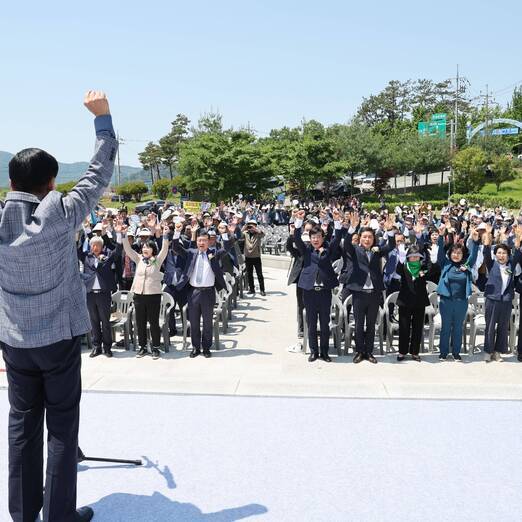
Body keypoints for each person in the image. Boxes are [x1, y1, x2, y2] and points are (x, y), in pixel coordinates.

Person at [0, 91, 115, 522]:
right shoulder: (62, 212)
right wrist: (102, 120)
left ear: (11, 182)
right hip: (60, 339)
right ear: (51, 184)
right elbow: (98, 174)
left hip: (14, 340)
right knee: (62, 429)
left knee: (21, 427)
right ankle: (60, 516)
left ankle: (24, 513)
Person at [172, 221, 237, 358]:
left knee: (207, 322)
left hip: (208, 292)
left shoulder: (214, 253)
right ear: (197, 241)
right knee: (194, 322)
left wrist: (225, 233)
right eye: (200, 240)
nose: (202, 243)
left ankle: (206, 347)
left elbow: (226, 247)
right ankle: (196, 347)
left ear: (209, 242)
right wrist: (177, 232)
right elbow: (176, 247)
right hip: (193, 292)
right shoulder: (191, 253)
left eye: (204, 241)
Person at [343, 212, 396, 364]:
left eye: (370, 237)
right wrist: (352, 228)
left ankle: (369, 351)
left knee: (371, 324)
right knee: (359, 323)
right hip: (359, 293)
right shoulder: (355, 250)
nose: (367, 239)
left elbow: (391, 245)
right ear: (360, 239)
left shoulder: (377, 250)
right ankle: (360, 351)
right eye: (364, 237)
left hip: (374, 293)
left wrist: (390, 231)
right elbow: (346, 245)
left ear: (374, 239)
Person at [293, 209, 342, 362]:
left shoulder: (328, 250)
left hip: (325, 292)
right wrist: (299, 222)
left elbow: (337, 238)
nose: (315, 240)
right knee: (311, 323)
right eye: (313, 237)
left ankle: (325, 352)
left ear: (322, 238)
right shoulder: (306, 250)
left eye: (318, 237)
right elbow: (296, 238)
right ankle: (314, 351)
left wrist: (337, 221)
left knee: (325, 324)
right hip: (309, 291)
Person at [119, 221, 170, 359]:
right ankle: (142, 347)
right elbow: (128, 250)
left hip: (153, 295)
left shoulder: (157, 260)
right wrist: (123, 235)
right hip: (139, 295)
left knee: (153, 322)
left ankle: (155, 348)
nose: (145, 249)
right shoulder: (139, 258)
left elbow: (165, 249)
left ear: (153, 249)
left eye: (148, 247)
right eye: (143, 247)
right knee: (139, 322)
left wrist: (165, 236)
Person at [436, 224, 479, 360]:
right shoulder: (446, 264)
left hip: (461, 302)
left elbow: (473, 257)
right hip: (446, 301)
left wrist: (476, 242)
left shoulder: (465, 266)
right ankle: (443, 353)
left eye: (459, 253)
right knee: (446, 327)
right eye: (454, 252)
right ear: (450, 254)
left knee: (458, 328)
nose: (456, 255)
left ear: (462, 255)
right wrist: (441, 237)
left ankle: (456, 352)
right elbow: (440, 254)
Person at [481, 227, 521, 362]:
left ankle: (498, 352)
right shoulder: (491, 264)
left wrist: (518, 239)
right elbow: (486, 252)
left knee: (503, 328)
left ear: (507, 255)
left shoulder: (511, 265)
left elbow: (517, 254)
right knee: (490, 327)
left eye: (504, 253)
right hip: (492, 299)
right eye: (499, 253)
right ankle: (488, 351)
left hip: (506, 300)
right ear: (496, 254)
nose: (501, 255)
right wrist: (487, 235)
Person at [78, 234, 122, 358]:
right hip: (90, 294)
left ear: (101, 246)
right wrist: (77, 235)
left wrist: (119, 235)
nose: (95, 247)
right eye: (93, 245)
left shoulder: (107, 256)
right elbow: (76, 251)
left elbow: (118, 251)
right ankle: (96, 346)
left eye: (97, 245)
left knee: (105, 322)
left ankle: (107, 347)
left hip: (104, 295)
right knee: (94, 322)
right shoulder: (87, 257)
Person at [395, 244, 430, 361]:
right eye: (412, 256)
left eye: (417, 256)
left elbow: (432, 270)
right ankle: (402, 351)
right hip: (405, 302)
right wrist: (400, 259)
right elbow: (398, 270)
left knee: (418, 327)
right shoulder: (404, 267)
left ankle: (415, 352)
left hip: (419, 302)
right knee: (404, 327)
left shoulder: (423, 267)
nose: (414, 258)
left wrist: (433, 260)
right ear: (408, 257)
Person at [242, 218, 266, 296]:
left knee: (259, 274)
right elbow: (239, 234)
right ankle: (252, 289)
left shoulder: (258, 233)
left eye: (252, 226)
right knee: (249, 274)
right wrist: (245, 226)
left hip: (256, 256)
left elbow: (263, 234)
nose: (251, 228)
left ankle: (262, 290)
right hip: (248, 256)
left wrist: (256, 229)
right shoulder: (245, 233)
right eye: (250, 226)